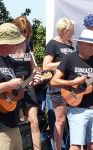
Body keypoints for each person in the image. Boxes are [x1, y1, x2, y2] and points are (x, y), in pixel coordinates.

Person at [0, 23, 41, 150]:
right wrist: (8, 84)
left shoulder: (8, 60)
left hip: (12, 124)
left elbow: (15, 89)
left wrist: (29, 84)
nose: (19, 45)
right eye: (16, 42)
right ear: (5, 43)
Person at [50, 28, 93, 150]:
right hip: (77, 109)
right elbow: (53, 81)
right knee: (76, 146)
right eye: (89, 44)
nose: (92, 47)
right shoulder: (69, 58)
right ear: (80, 43)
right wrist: (72, 82)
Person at [42, 17, 76, 150]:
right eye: (71, 31)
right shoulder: (53, 44)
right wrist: (65, 62)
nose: (73, 33)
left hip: (71, 87)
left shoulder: (70, 43)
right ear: (64, 31)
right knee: (60, 121)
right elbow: (46, 65)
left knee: (71, 122)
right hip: (57, 88)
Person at [9, 16, 41, 150]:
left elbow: (34, 67)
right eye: (21, 31)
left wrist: (38, 75)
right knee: (20, 121)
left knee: (34, 121)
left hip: (28, 86)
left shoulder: (29, 44)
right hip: (12, 88)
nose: (24, 34)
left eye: (26, 31)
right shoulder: (9, 44)